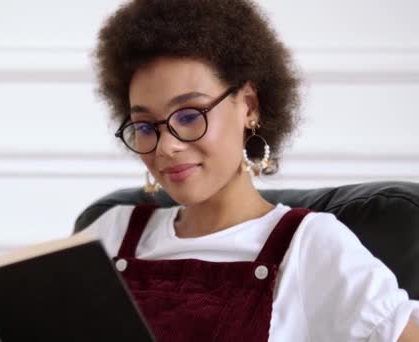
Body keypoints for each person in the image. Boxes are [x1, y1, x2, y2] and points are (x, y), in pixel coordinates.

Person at [82, 0, 419, 341]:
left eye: (188, 116)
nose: (166, 146)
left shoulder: (310, 247)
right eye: (144, 125)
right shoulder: (108, 234)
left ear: (249, 106)